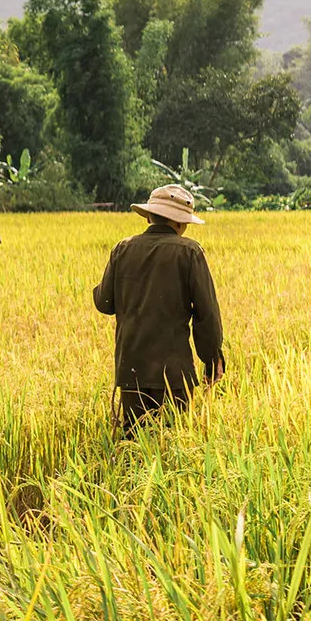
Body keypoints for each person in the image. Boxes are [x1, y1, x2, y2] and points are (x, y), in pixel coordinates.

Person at [91, 184, 224, 437]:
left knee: (133, 444)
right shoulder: (189, 252)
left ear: (149, 216)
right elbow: (206, 314)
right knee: (172, 445)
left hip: (131, 370)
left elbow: (104, 303)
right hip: (173, 375)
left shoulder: (122, 249)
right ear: (181, 224)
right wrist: (211, 359)